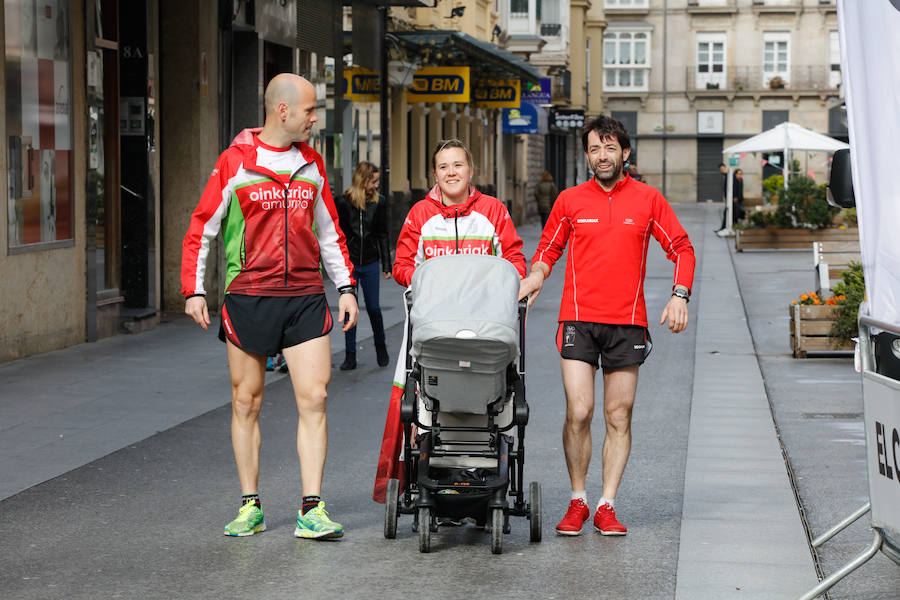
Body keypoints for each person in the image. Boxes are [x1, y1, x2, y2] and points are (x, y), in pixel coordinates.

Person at [182, 73, 359, 539]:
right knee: (246, 402)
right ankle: (250, 505)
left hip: (303, 296)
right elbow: (203, 227)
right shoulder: (235, 163)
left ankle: (312, 507)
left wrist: (345, 288)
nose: (314, 118)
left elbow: (329, 234)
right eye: (309, 110)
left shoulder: (313, 165)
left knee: (316, 398)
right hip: (248, 296)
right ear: (283, 111)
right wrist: (193, 289)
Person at [518, 115, 695, 536]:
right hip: (578, 317)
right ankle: (578, 499)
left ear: (625, 153)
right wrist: (536, 274)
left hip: (627, 322)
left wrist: (679, 294)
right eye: (595, 148)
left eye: (610, 148)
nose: (602, 156)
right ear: (587, 155)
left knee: (619, 414)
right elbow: (548, 248)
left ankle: (606, 503)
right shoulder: (570, 200)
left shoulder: (649, 200)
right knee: (580, 410)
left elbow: (682, 248)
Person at [372, 138, 527, 503]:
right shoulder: (420, 215)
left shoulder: (492, 211)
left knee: (496, 395)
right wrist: (427, 282)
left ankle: (486, 461)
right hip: (435, 325)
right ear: (435, 174)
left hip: (486, 326)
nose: (451, 172)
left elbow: (515, 261)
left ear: (470, 170)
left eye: (457, 165)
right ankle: (429, 459)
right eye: (443, 167)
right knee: (425, 397)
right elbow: (402, 266)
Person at [335, 161, 392, 370]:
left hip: (369, 262)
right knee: (351, 310)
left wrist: (387, 264)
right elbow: (337, 234)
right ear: (364, 180)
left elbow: (383, 234)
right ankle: (350, 355)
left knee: (374, 308)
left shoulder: (380, 202)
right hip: (350, 263)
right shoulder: (343, 202)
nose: (376, 186)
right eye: (374, 181)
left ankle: (380, 345)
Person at [716, 168, 746, 235]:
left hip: (739, 200)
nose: (740, 175)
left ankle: (736, 227)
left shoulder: (741, 180)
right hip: (734, 200)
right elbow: (733, 189)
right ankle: (727, 227)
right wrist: (735, 197)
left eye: (741, 174)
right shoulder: (734, 180)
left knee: (737, 213)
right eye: (738, 174)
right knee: (730, 213)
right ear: (735, 174)